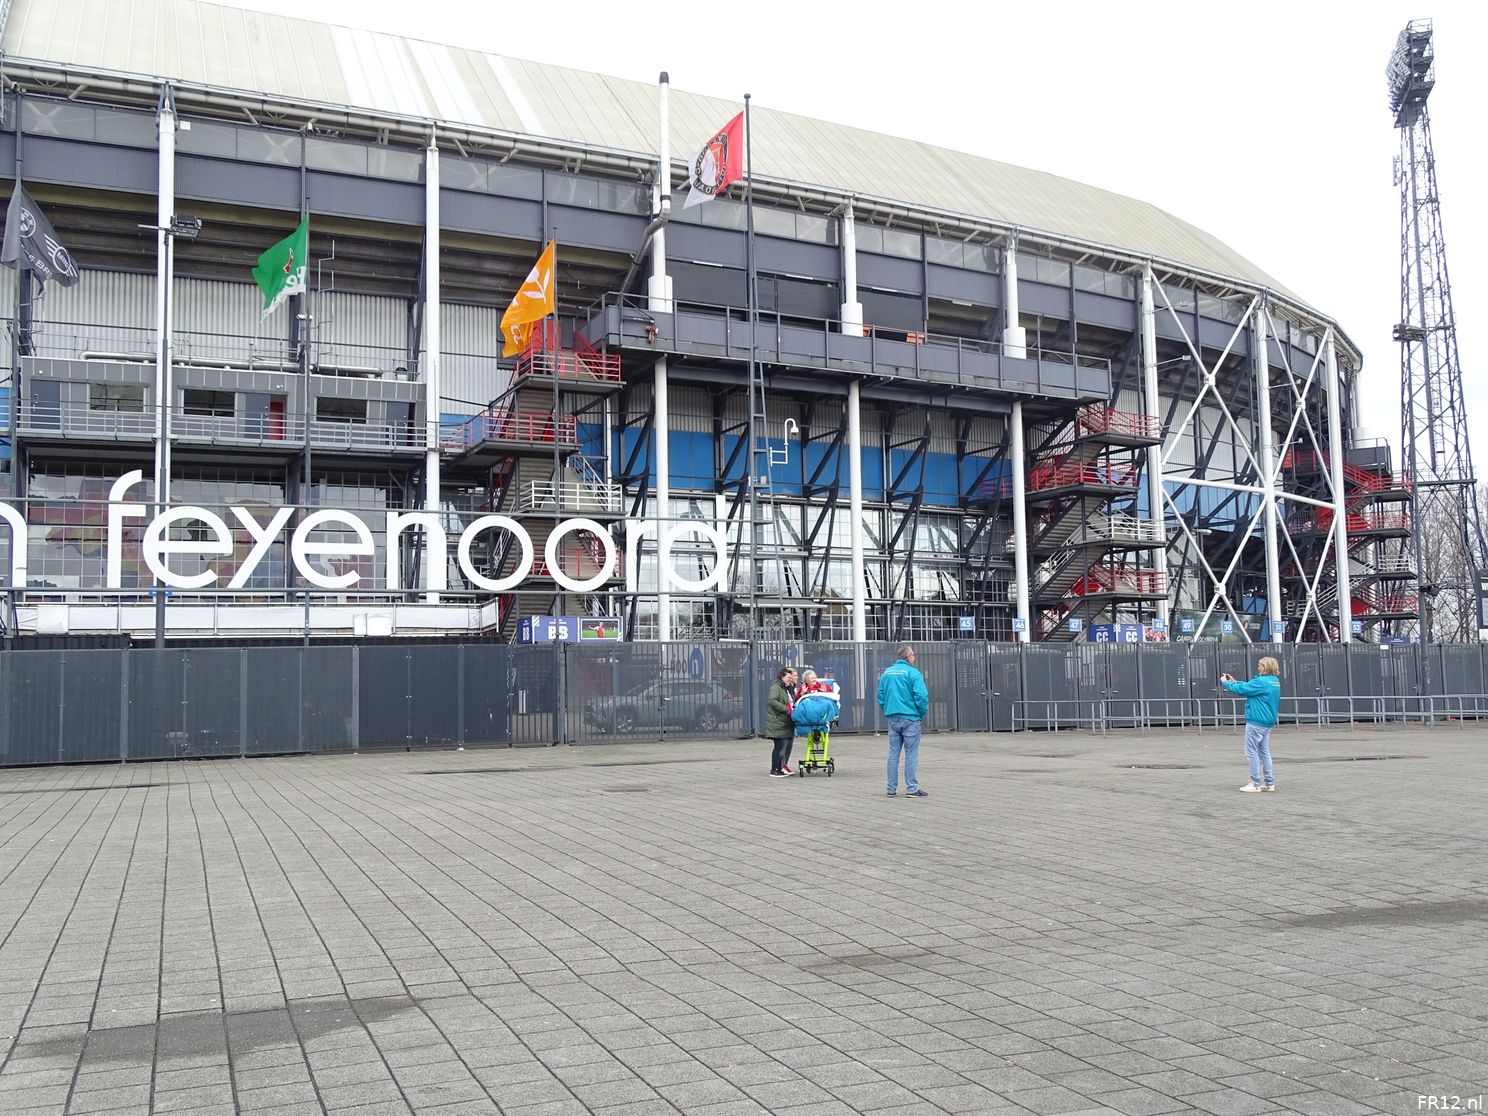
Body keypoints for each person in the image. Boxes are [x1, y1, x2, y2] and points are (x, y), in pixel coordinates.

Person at [1221, 657, 1281, 793]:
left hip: (1256, 721)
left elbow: (1243, 690)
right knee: (1264, 752)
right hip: (1268, 721)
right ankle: (1269, 782)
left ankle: (1255, 783)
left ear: (1266, 667)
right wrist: (1235, 681)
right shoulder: (1274, 681)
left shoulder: (1261, 682)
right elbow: (1248, 687)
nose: (1258, 667)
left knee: (1251, 751)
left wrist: (1226, 682)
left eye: (1260, 665)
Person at [877, 645, 929, 798]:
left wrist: (888, 709)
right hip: (911, 718)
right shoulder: (913, 673)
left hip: (893, 717)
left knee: (893, 754)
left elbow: (880, 695)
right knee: (911, 754)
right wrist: (920, 713)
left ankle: (891, 789)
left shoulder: (887, 673)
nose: (914, 657)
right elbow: (922, 696)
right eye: (913, 654)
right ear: (908, 656)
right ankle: (912, 789)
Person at [764, 666, 798, 778]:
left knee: (782, 746)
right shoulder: (776, 688)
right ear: (782, 677)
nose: (790, 679)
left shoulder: (784, 688)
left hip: (783, 722)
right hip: (778, 722)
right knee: (779, 746)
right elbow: (772, 701)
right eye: (788, 677)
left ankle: (780, 768)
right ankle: (775, 769)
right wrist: (786, 709)